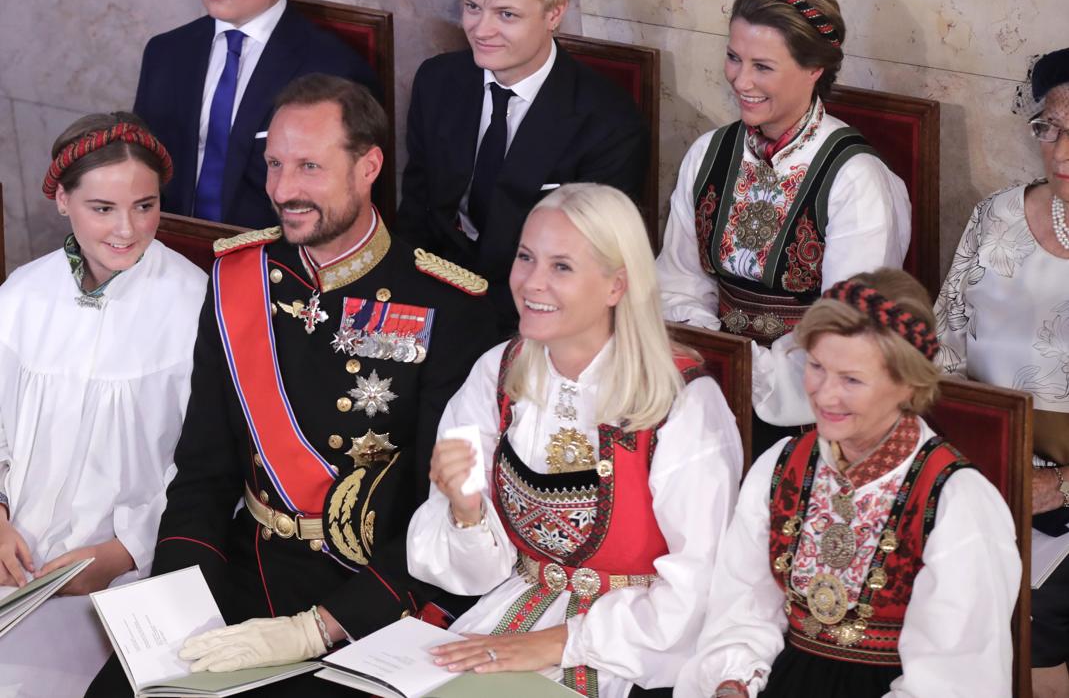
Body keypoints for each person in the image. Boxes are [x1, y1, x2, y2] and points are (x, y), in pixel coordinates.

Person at [86, 75, 497, 696]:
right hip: (245, 571)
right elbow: (203, 469)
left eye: (309, 166)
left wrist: (323, 628)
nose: (283, 190)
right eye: (275, 164)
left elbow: (437, 514)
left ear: (369, 167)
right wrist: (181, 609)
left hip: (368, 601)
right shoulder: (241, 279)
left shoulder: (448, 304)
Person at [406, 183, 743, 698]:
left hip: (631, 650)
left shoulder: (683, 404)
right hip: (507, 608)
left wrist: (559, 642)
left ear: (616, 285)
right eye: (525, 257)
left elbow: (700, 585)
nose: (531, 283)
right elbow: (467, 574)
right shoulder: (498, 372)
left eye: (561, 267)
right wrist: (467, 510)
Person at [674, 269, 1020, 698]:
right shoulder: (781, 467)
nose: (824, 395)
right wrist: (732, 682)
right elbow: (742, 608)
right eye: (816, 367)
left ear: (908, 384)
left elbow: (955, 681)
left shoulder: (956, 503)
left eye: (851, 380)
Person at [657, 0, 910, 451]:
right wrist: (714, 363)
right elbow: (678, 279)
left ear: (814, 68)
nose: (741, 80)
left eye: (763, 67)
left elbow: (847, 326)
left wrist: (749, 376)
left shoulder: (857, 179)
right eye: (734, 58)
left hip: (809, 407)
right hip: (705, 378)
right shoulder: (709, 152)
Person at [0, 112, 206, 697]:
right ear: (62, 200)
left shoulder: (196, 308)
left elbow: (210, 466)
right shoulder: (22, 295)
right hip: (15, 560)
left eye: (145, 205)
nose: (127, 229)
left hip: (126, 578)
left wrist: (123, 552)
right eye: (103, 208)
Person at [397, 0, 649, 334]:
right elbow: (416, 210)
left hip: (531, 318)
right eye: (473, 7)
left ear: (554, 13)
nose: (481, 29)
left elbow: (591, 264)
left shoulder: (609, 122)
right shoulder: (437, 82)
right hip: (430, 298)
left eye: (506, 14)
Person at [935, 46, 1069, 698]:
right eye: (1051, 129)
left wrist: (1061, 485)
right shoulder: (993, 218)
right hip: (981, 471)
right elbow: (944, 350)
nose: (1061, 154)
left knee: (1035, 618)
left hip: (1061, 503)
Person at [134, 0, 378, 227]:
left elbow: (341, 207)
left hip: (277, 265)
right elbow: (144, 173)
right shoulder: (166, 53)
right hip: (169, 252)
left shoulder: (334, 70)